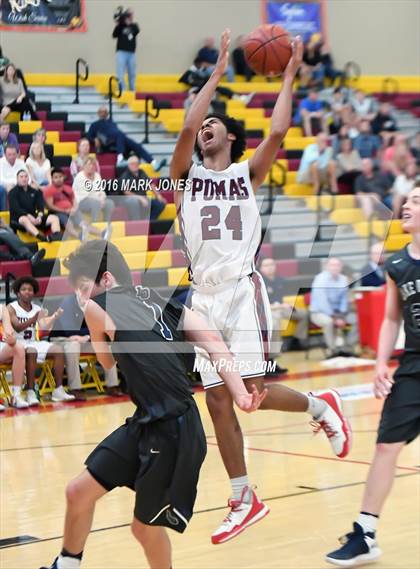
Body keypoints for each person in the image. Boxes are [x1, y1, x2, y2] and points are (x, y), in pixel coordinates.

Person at [170, 30, 351, 544]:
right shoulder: (184, 177)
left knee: (250, 392)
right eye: (202, 126)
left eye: (213, 125)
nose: (204, 128)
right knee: (217, 401)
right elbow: (185, 125)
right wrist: (218, 72)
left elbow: (277, 131)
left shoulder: (247, 174)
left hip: (240, 291)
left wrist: (290, 72)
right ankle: (244, 496)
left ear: (230, 137)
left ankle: (321, 405)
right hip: (203, 295)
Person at [40, 239, 266, 569]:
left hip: (174, 428)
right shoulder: (167, 303)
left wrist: (92, 323)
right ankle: (66, 564)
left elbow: (104, 363)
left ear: (105, 280)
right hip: (149, 420)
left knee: (143, 529)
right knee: (78, 491)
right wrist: (241, 394)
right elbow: (215, 343)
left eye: (84, 287)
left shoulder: (94, 306)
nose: (82, 297)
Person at [325, 185, 420, 567]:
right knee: (385, 446)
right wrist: (381, 363)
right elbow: (392, 318)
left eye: (416, 200)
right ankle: (365, 534)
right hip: (413, 366)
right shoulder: (397, 265)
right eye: (407, 199)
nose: (407, 204)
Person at [8, 276, 75, 406]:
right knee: (32, 351)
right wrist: (34, 318)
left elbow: (43, 326)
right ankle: (30, 391)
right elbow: (17, 326)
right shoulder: (12, 307)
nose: (27, 291)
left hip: (33, 341)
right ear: (17, 292)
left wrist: (55, 316)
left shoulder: (37, 308)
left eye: (30, 289)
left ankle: (58, 390)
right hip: (18, 345)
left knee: (58, 350)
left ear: (34, 293)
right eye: (24, 289)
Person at [49, 293, 123, 401]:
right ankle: (75, 388)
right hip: (60, 339)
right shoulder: (67, 303)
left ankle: (112, 386)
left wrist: (87, 336)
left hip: (82, 339)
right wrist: (87, 334)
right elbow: (69, 330)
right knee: (73, 346)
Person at [87, 107, 166, 169]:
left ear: (107, 113)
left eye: (105, 112)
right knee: (120, 134)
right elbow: (88, 136)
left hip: (119, 141)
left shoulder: (111, 122)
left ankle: (154, 163)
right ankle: (120, 159)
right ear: (98, 113)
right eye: (101, 112)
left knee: (136, 145)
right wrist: (94, 139)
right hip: (107, 143)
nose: (103, 113)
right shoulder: (95, 125)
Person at [259, 257, 308, 356]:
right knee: (275, 323)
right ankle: (273, 354)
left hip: (281, 308)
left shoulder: (280, 280)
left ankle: (296, 341)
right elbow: (261, 305)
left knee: (305, 314)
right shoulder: (259, 282)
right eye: (266, 265)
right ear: (261, 268)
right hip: (269, 310)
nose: (270, 267)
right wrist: (280, 306)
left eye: (272, 264)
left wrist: (286, 305)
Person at [309, 258, 351, 358]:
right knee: (329, 322)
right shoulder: (320, 279)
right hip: (319, 313)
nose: (335, 267)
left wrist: (341, 315)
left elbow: (344, 300)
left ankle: (347, 348)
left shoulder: (343, 279)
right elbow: (322, 302)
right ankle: (333, 351)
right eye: (332, 265)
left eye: (337, 265)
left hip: (338, 313)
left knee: (356, 319)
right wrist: (335, 318)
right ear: (327, 267)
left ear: (341, 267)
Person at [9, 170, 61, 241]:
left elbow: (40, 206)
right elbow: (16, 209)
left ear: (28, 178)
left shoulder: (34, 191)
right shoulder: (12, 192)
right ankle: (42, 238)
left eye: (26, 176)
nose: (24, 179)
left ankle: (57, 237)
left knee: (54, 218)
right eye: (21, 177)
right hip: (18, 218)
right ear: (17, 179)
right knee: (24, 219)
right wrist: (29, 216)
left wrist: (40, 216)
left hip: (33, 215)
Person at [72, 157, 114, 238]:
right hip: (82, 201)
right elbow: (86, 194)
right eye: (89, 164)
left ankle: (106, 224)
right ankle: (96, 226)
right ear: (83, 166)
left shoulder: (97, 175)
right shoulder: (80, 177)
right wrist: (99, 200)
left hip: (96, 199)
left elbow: (101, 190)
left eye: (93, 164)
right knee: (95, 203)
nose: (91, 166)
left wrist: (102, 198)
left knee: (109, 203)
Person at [115, 155, 166, 220]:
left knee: (160, 204)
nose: (135, 165)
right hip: (128, 199)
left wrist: (158, 195)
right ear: (128, 165)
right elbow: (126, 192)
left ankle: (148, 221)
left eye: (136, 163)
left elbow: (151, 184)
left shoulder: (141, 172)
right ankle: (137, 223)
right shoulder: (125, 176)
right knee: (133, 201)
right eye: (132, 164)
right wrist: (140, 198)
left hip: (143, 198)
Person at [0, 301, 28, 408]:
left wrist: (11, 338)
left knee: (18, 348)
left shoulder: (2, 309)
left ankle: (16, 396)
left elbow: (9, 330)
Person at [43, 167, 81, 238]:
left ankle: (100, 234)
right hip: (57, 213)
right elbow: (50, 206)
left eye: (60, 176)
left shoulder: (68, 188)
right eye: (56, 177)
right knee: (68, 223)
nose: (58, 179)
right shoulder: (48, 190)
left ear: (63, 177)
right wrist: (65, 211)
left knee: (83, 223)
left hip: (71, 211)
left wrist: (74, 209)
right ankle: (79, 236)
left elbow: (74, 202)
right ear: (52, 178)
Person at [112, 8, 140, 92]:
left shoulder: (134, 25)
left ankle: (132, 90)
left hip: (131, 53)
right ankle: (122, 90)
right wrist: (119, 24)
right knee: (120, 73)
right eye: (129, 14)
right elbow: (114, 35)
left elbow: (137, 31)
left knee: (132, 74)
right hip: (121, 52)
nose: (131, 16)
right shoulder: (120, 26)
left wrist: (129, 23)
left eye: (131, 14)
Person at [0, 144, 26, 210]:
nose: (12, 156)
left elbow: (28, 177)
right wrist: (17, 182)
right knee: (10, 188)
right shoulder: (1, 163)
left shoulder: (21, 162)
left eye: (14, 154)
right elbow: (1, 180)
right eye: (9, 154)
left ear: (17, 154)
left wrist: (18, 183)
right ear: (5, 155)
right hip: (6, 186)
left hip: (21, 185)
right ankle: (9, 213)